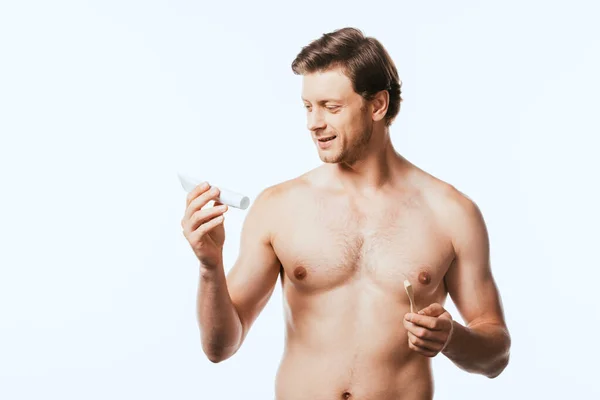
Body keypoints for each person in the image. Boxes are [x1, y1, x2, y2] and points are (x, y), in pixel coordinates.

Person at [181, 27, 511, 400]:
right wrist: (210, 267)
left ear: (377, 105)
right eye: (308, 107)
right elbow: (220, 347)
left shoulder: (451, 213)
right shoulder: (279, 207)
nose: (313, 123)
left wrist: (453, 338)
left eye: (331, 107)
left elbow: (496, 355)